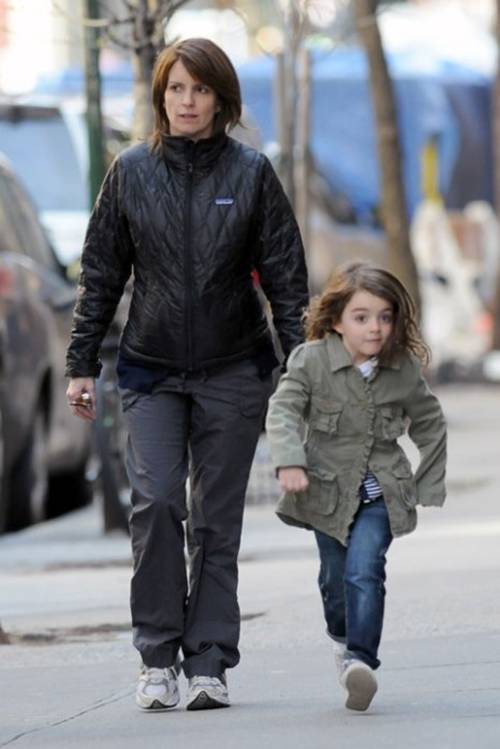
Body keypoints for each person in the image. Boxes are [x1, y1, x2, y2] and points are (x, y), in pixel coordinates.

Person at [65, 38, 308, 712]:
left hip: (235, 370)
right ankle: (156, 654)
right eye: (176, 89)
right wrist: (81, 362)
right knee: (157, 502)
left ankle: (208, 661)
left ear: (222, 100)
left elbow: (288, 284)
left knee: (216, 520)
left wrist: (304, 372)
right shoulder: (131, 173)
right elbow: (101, 276)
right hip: (149, 369)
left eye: (200, 90)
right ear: (160, 97)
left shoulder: (254, 173)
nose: (187, 101)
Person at [265, 261, 447, 712]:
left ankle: (360, 662)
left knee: (364, 571)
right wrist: (289, 459)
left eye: (385, 317)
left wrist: (428, 483)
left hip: (381, 494)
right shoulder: (310, 362)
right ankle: (343, 641)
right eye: (362, 317)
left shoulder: (401, 369)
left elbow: (430, 422)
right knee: (334, 581)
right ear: (337, 320)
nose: (375, 328)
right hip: (326, 493)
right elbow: (283, 410)